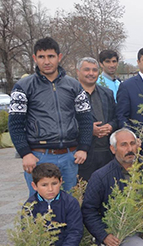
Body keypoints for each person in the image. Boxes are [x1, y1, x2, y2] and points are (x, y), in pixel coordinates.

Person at [9, 37, 93, 195]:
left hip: (70, 156)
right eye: (41, 57)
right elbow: (15, 124)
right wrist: (25, 153)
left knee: (70, 204)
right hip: (39, 156)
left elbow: (86, 120)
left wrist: (83, 148)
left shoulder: (74, 86)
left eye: (51, 56)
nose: (46, 61)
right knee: (41, 208)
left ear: (59, 57)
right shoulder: (23, 87)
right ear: (35, 58)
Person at [13, 163, 83, 246]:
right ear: (34, 186)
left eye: (54, 184)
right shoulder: (30, 206)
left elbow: (75, 232)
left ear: (61, 182)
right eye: (44, 185)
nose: (50, 189)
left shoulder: (70, 203)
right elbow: (27, 235)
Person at [76, 57, 117, 182]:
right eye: (87, 70)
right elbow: (65, 121)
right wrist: (88, 129)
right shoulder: (71, 94)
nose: (91, 73)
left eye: (94, 70)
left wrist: (111, 126)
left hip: (106, 153)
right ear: (78, 72)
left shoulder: (107, 93)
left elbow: (116, 118)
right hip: (83, 154)